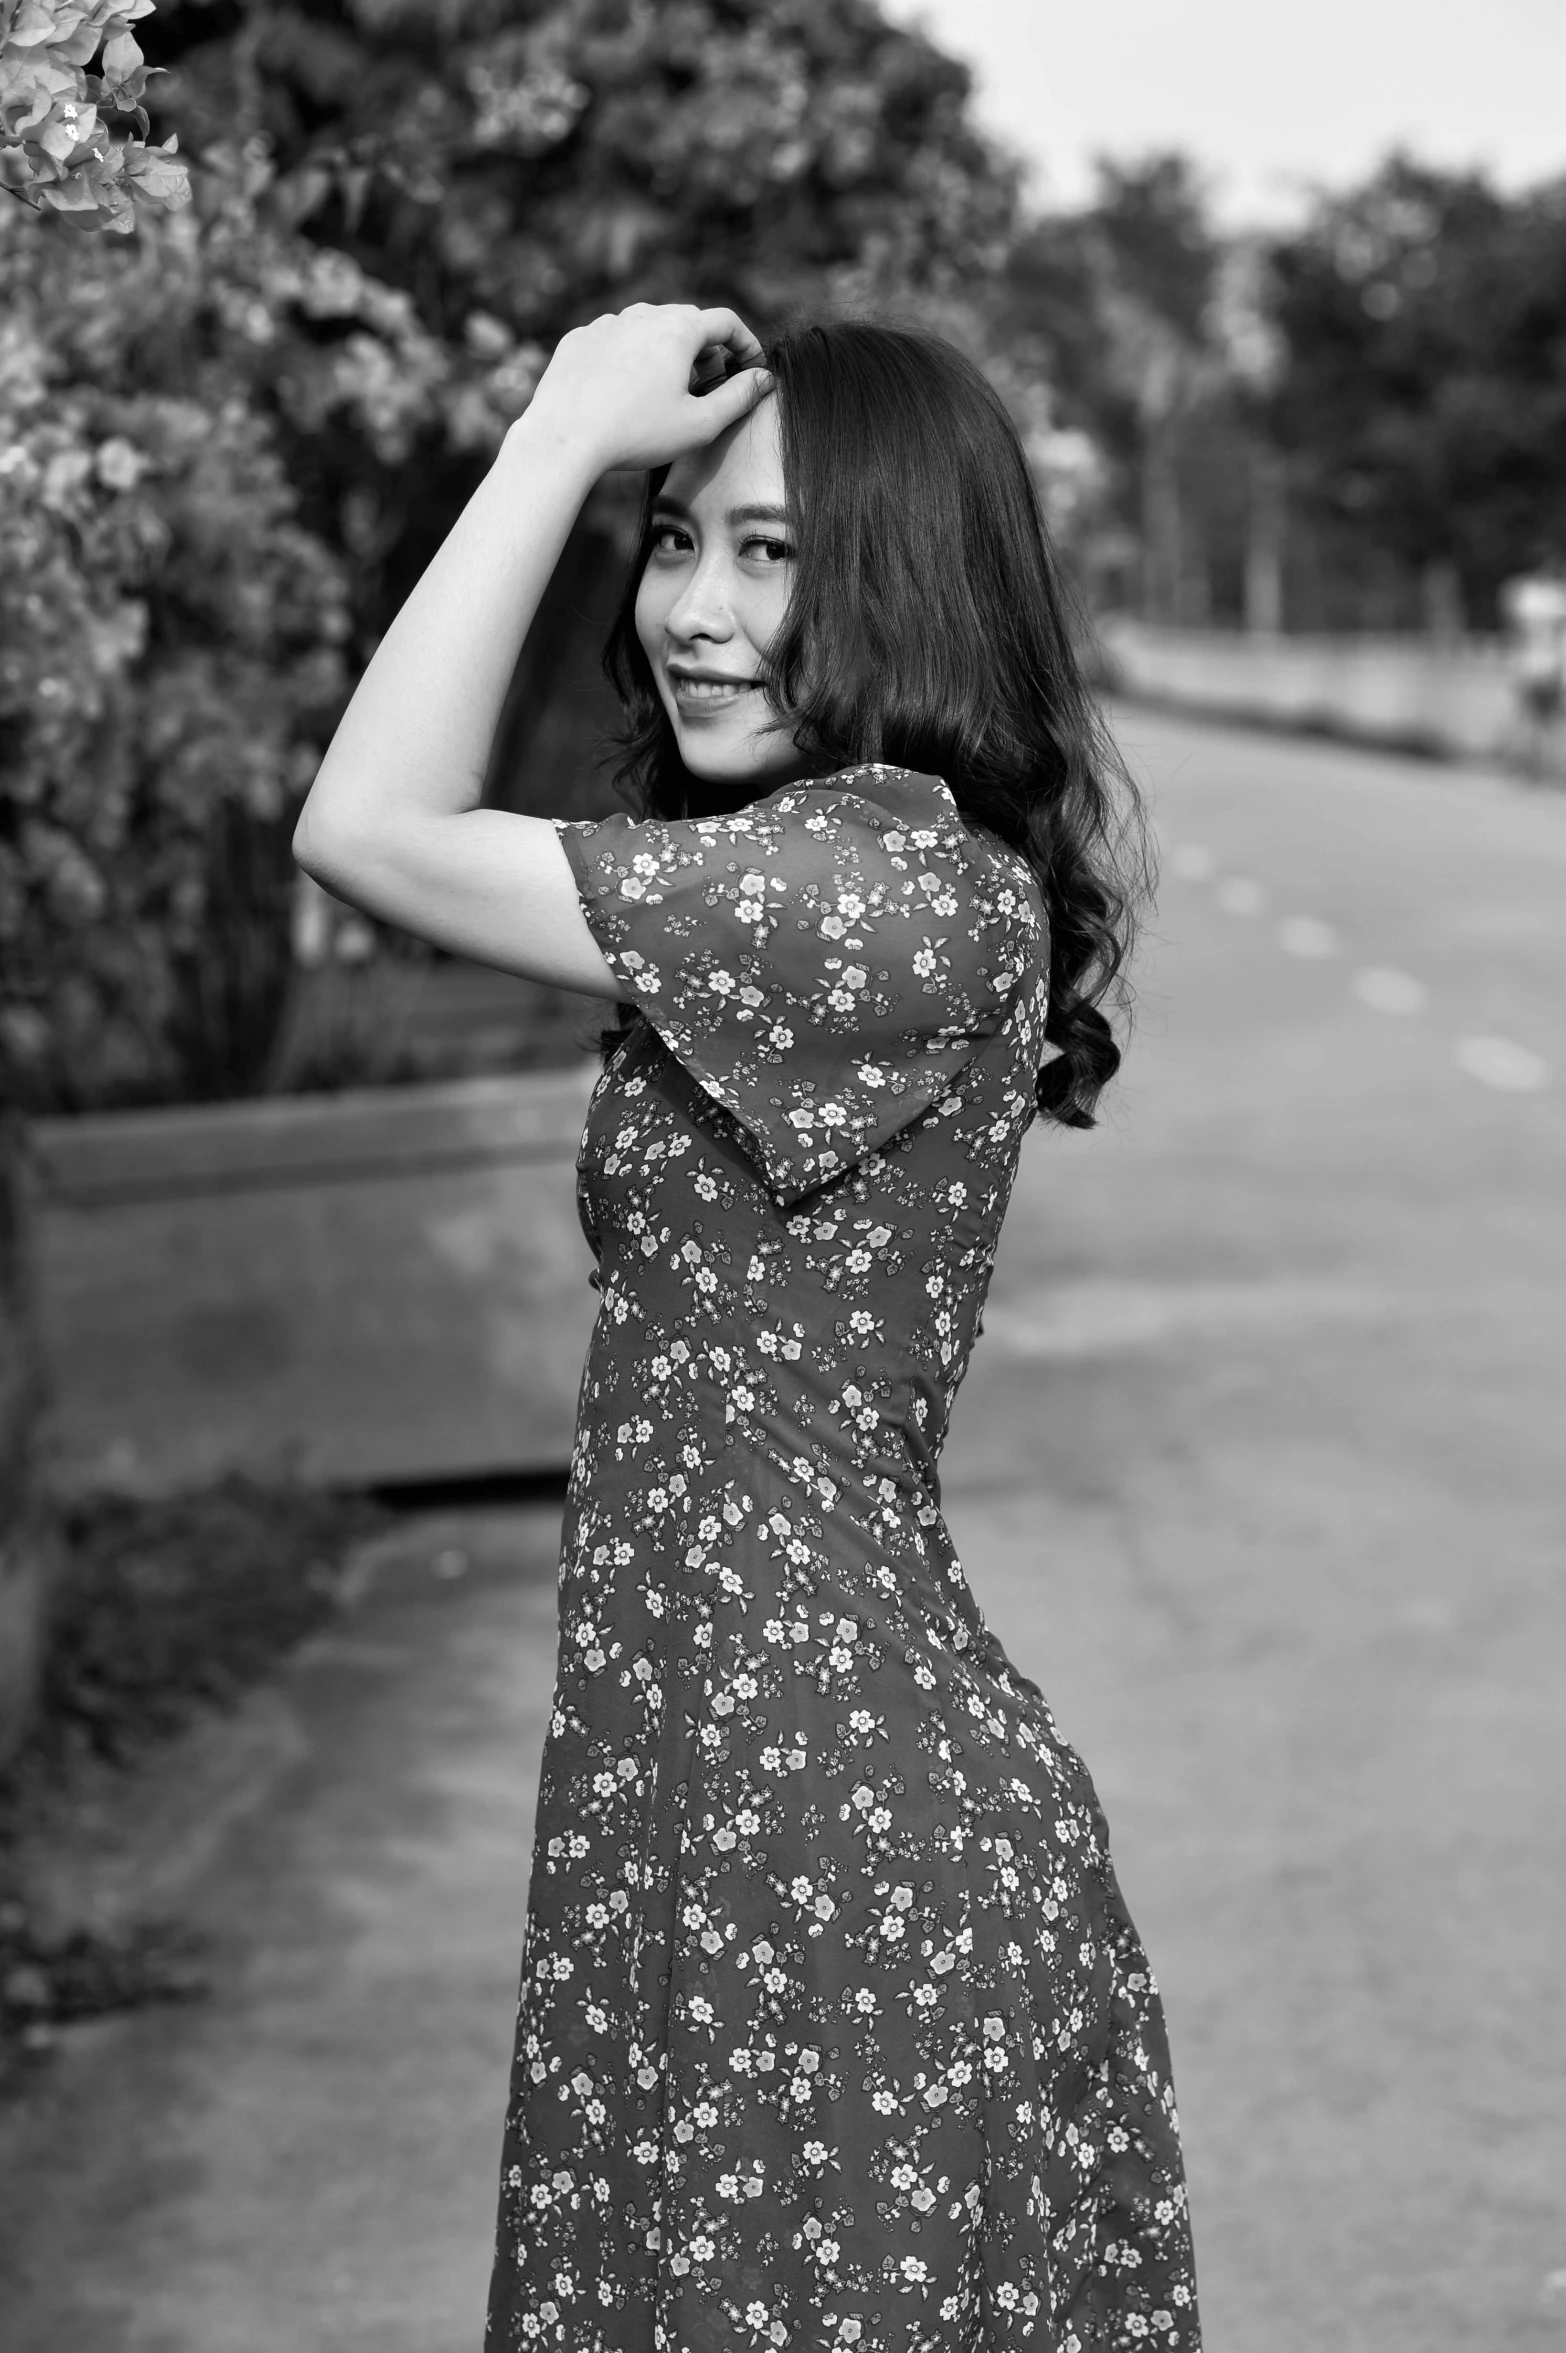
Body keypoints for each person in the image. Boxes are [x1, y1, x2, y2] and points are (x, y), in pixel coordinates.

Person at [294, 304, 1199, 2353]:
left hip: (830, 1850)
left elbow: (365, 832)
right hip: (720, 1810)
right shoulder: (825, 865)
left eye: (772, 553)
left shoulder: (876, 896)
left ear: (905, 577)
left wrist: (549, 444)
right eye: (673, 539)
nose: (699, 610)